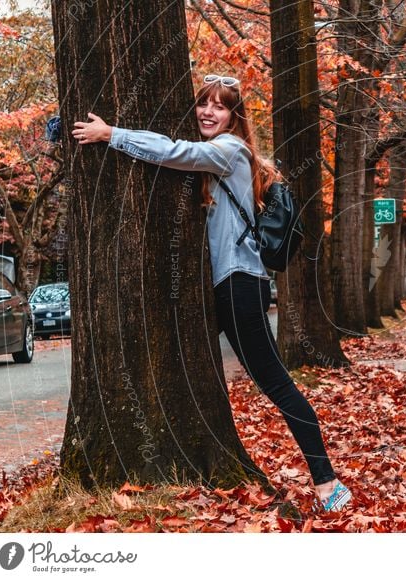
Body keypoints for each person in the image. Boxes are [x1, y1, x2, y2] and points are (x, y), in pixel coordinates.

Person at [71, 74, 352, 512]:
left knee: (276, 383)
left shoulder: (230, 151)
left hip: (243, 285)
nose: (208, 112)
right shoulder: (225, 159)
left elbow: (173, 151)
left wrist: (111, 134)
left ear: (235, 117)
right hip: (229, 283)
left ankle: (328, 484)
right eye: (203, 103)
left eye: (219, 106)